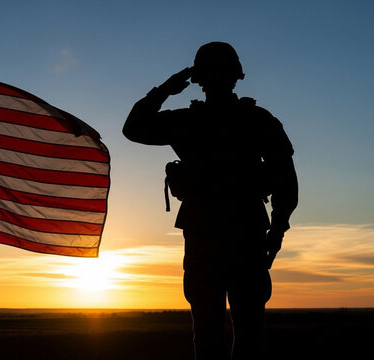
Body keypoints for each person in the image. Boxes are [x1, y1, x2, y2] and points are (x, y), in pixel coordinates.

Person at [123, 42, 298, 359]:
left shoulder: (188, 122)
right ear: (237, 76)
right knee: (243, 334)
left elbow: (134, 127)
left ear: (197, 78)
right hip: (241, 234)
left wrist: (165, 89)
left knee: (211, 335)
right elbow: (286, 180)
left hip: (211, 235)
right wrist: (277, 229)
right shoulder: (256, 120)